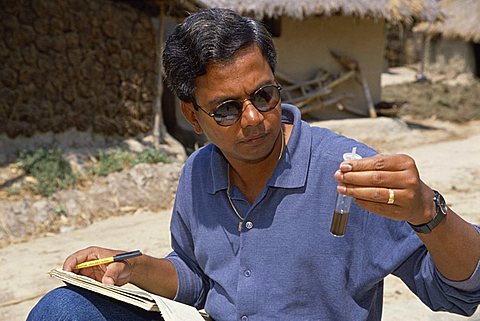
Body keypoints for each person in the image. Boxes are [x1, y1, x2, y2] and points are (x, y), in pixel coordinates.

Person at [28, 8, 480, 321]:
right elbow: (198, 278)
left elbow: (461, 292)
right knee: (62, 310)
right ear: (193, 116)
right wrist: (131, 268)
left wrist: (427, 210)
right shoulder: (199, 172)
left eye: (264, 95)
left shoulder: (350, 173)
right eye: (226, 108)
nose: (253, 119)